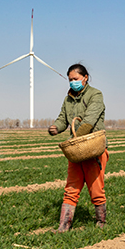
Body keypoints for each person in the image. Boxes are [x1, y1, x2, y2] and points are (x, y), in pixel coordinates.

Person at [48, 63, 108, 232]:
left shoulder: (95, 95)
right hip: (76, 151)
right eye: (70, 79)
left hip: (92, 148)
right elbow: (62, 119)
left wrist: (75, 138)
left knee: (96, 189)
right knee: (71, 188)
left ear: (85, 77)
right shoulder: (67, 99)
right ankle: (63, 226)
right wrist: (56, 128)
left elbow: (89, 120)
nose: (72, 82)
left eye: (75, 79)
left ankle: (101, 223)